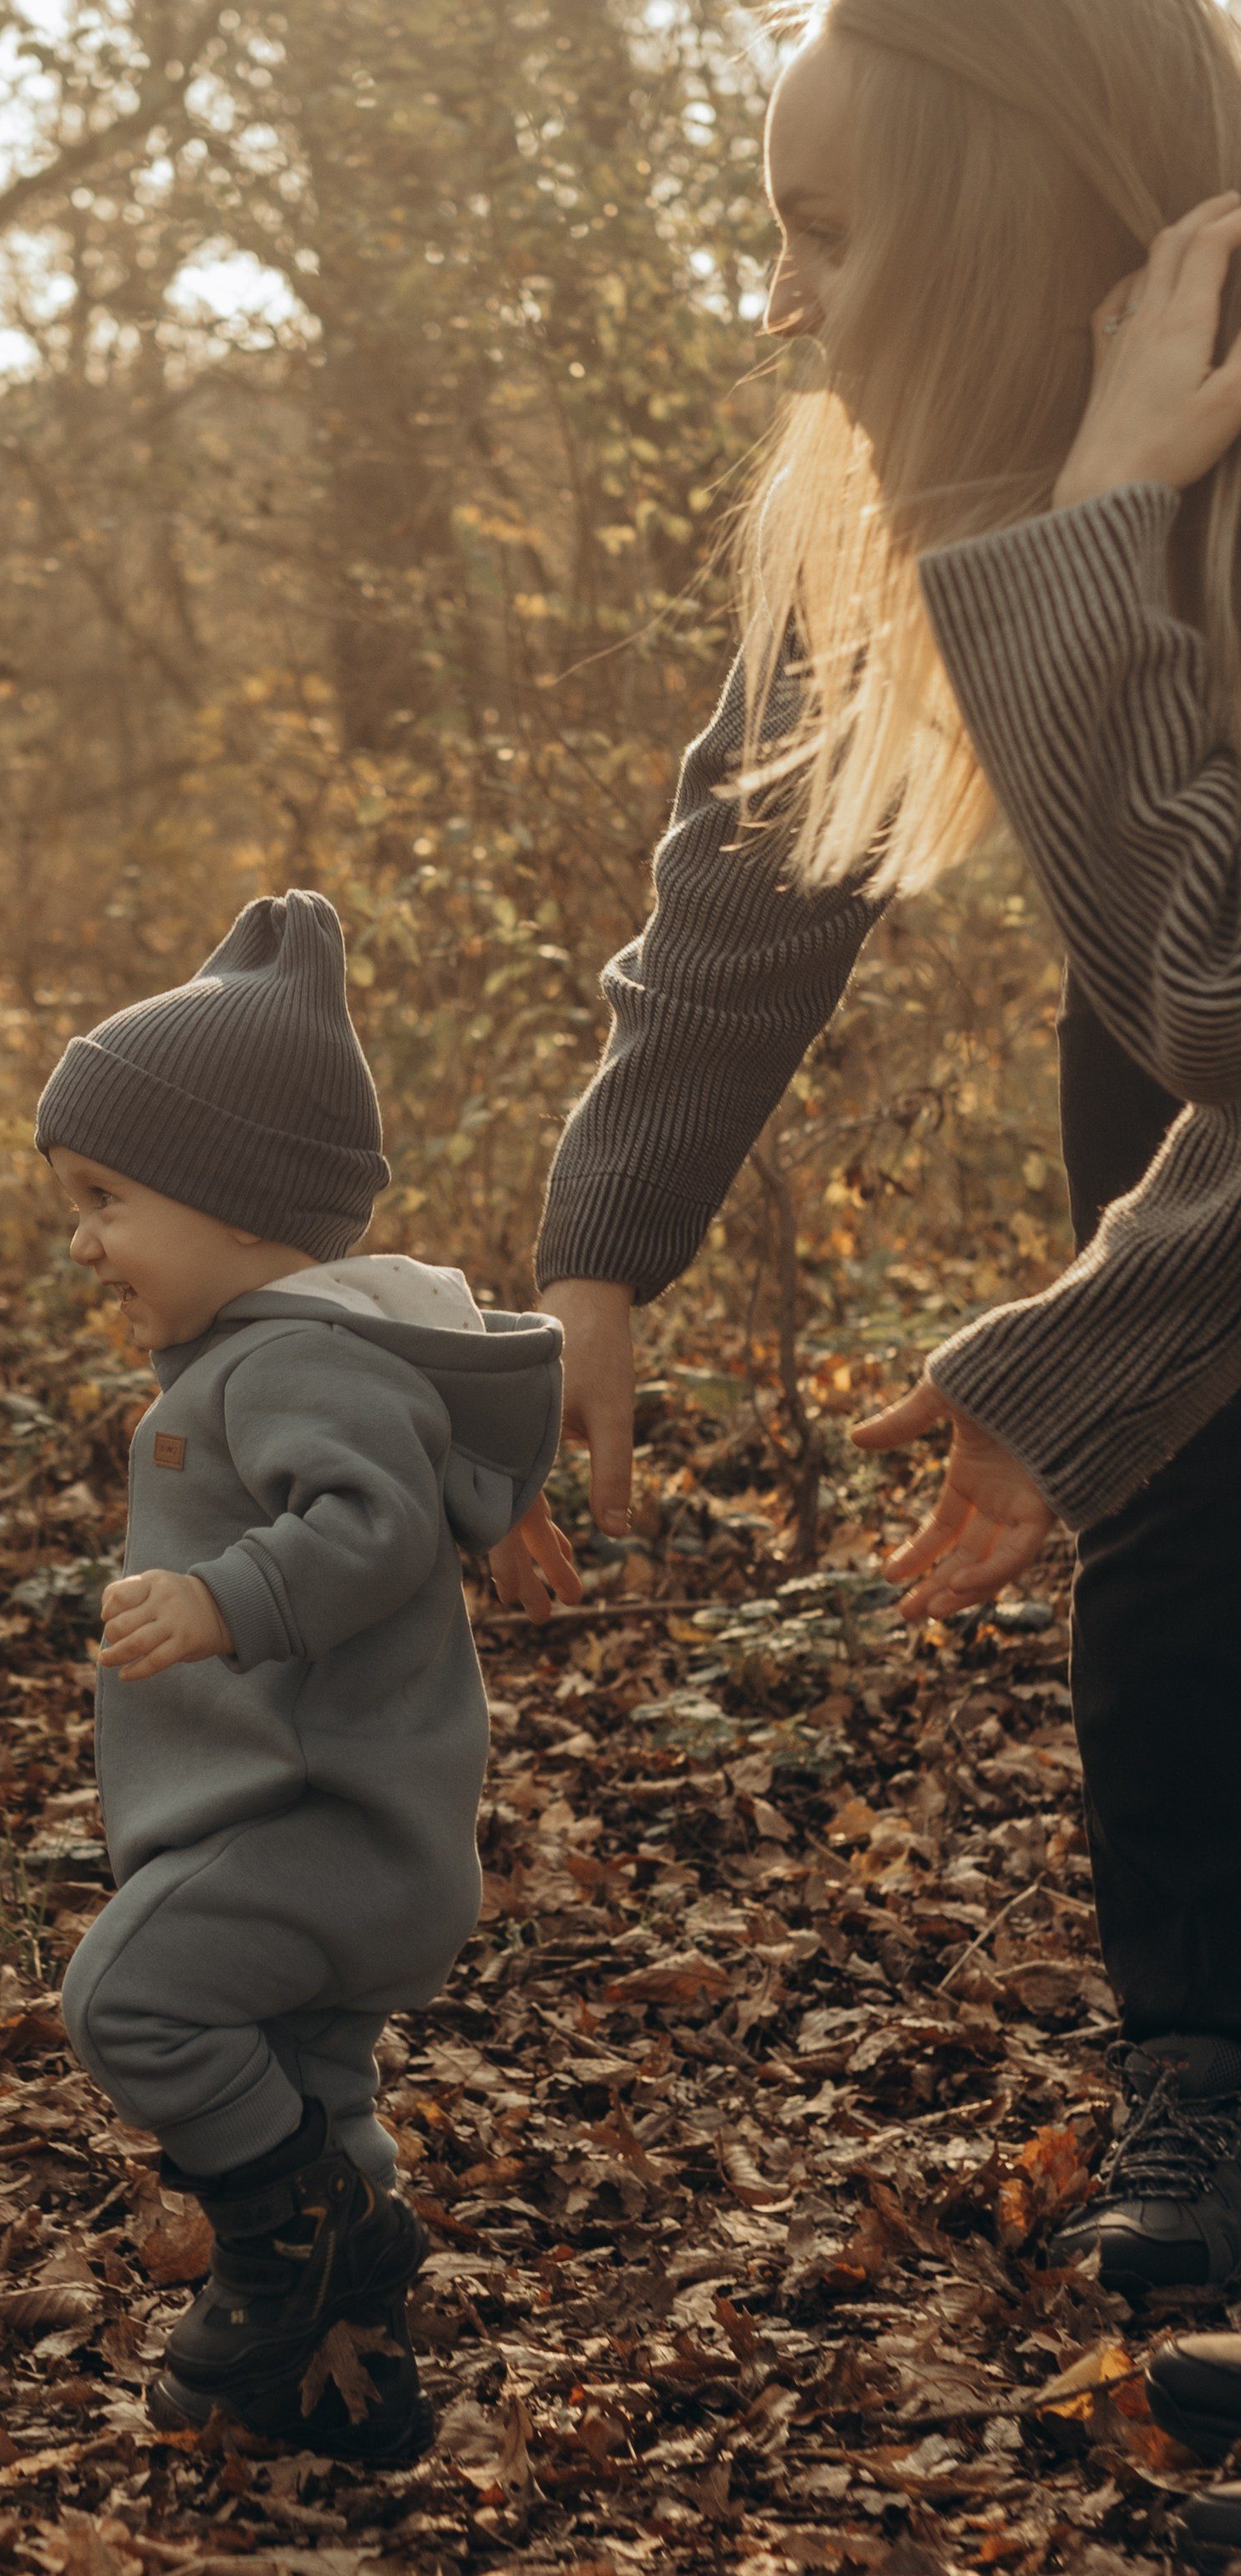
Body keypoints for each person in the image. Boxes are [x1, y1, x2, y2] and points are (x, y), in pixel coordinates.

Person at [495, 0, 1241, 2303]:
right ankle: (1211, 2079)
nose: (783, 302)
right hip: (1179, 1104)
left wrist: (1103, 538)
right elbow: (755, 857)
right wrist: (603, 1236)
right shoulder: (936, 472)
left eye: (827, 232)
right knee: (1189, 1566)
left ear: (1001, 218)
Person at [35, 890, 563, 2462]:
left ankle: (299, 2245)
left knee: (129, 2000)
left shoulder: (292, 1362)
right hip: (325, 1830)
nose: (84, 1239)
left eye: (106, 1196)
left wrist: (221, 1599)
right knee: (307, 2088)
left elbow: (376, 1521)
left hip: (322, 1832)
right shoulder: (290, 1351)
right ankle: (345, 2386)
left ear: (236, 1199)